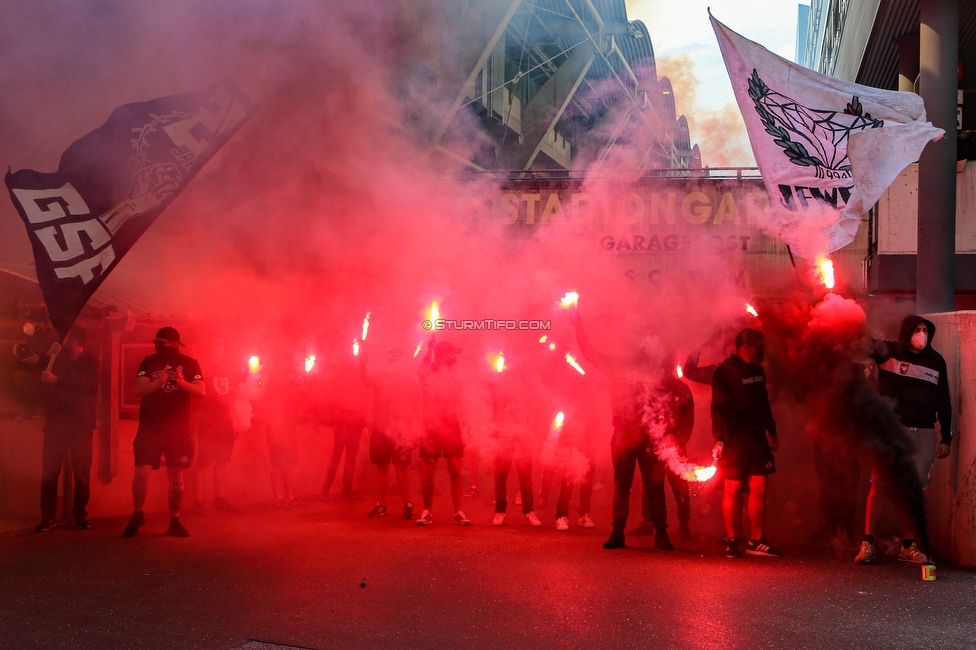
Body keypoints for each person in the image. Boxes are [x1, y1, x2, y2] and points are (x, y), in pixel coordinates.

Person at [855, 315, 952, 565]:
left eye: (926, 330)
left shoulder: (936, 360)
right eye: (917, 330)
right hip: (892, 430)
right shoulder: (889, 351)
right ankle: (868, 543)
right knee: (879, 484)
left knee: (916, 491)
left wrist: (946, 437)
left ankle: (908, 546)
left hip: (924, 433)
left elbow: (944, 400)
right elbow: (858, 343)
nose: (922, 335)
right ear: (906, 332)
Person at [572, 312, 672, 551]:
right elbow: (589, 354)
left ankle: (661, 532)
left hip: (649, 436)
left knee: (655, 485)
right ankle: (618, 531)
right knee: (622, 485)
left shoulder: (657, 371)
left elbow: (667, 403)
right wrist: (578, 327)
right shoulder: (619, 366)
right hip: (624, 434)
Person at [125, 327, 205, 538]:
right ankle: (138, 513)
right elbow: (138, 390)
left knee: (177, 478)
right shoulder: (149, 361)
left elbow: (201, 391)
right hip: (150, 427)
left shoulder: (189, 363)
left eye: (164, 343)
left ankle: (175, 520)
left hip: (178, 429)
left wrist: (181, 382)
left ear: (175, 344)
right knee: (141, 473)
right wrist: (159, 381)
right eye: (156, 342)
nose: (159, 347)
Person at [711, 328, 783, 558]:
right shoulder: (724, 371)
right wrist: (719, 439)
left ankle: (756, 541)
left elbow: (764, 402)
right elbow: (717, 407)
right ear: (746, 347)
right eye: (758, 348)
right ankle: (732, 540)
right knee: (732, 489)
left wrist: (772, 431)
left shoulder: (758, 369)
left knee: (760, 487)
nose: (762, 352)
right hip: (735, 437)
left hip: (757, 436)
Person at [35, 326, 100, 532]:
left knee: (81, 473)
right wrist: (49, 354)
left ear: (74, 342)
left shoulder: (92, 362)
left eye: (65, 339)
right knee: (49, 472)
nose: (62, 343)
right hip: (56, 423)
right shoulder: (59, 358)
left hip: (81, 425)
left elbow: (85, 384)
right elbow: (43, 367)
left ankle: (79, 515)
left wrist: (58, 381)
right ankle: (47, 517)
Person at [636, 363, 695, 540]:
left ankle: (684, 523)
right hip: (653, 444)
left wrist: (679, 439)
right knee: (652, 483)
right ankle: (648, 521)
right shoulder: (650, 385)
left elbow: (688, 419)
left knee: (679, 485)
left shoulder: (681, 389)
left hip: (675, 444)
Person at [416, 339, 470, 526]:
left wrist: (466, 424)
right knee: (429, 470)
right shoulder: (428, 371)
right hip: (430, 425)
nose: (454, 357)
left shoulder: (455, 374)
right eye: (451, 353)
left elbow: (462, 400)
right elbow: (420, 369)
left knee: (455, 468)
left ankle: (458, 512)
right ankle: (427, 512)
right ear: (442, 355)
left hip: (451, 424)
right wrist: (429, 350)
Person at [361, 348, 417, 520]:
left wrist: (413, 427)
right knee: (382, 467)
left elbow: (415, 402)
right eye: (390, 356)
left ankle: (407, 504)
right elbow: (366, 380)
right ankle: (381, 504)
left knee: (402, 468)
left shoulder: (408, 378)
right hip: (381, 429)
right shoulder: (380, 377)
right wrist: (361, 362)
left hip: (401, 429)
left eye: (397, 356)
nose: (393, 359)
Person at [189, 338, 240, 515]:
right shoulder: (199, 367)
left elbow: (229, 398)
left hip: (224, 422)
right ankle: (198, 502)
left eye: (221, 345)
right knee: (201, 464)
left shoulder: (227, 369)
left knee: (223, 461)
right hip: (206, 423)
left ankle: (219, 498)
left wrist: (233, 420)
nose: (218, 349)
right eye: (214, 345)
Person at [489, 363, 543, 528]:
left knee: (526, 477)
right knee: (501, 476)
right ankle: (500, 512)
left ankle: (528, 511)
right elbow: (494, 409)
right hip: (504, 437)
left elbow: (534, 412)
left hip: (523, 437)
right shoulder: (499, 390)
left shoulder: (527, 392)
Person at [12, 311, 59, 421]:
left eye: (30, 322)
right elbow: (30, 362)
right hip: (38, 373)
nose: (27, 324)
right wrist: (20, 356)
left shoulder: (53, 339)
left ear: (41, 324)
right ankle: (31, 408)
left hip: (52, 379)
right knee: (15, 376)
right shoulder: (31, 337)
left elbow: (57, 364)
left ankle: (44, 407)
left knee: (21, 377)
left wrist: (38, 360)